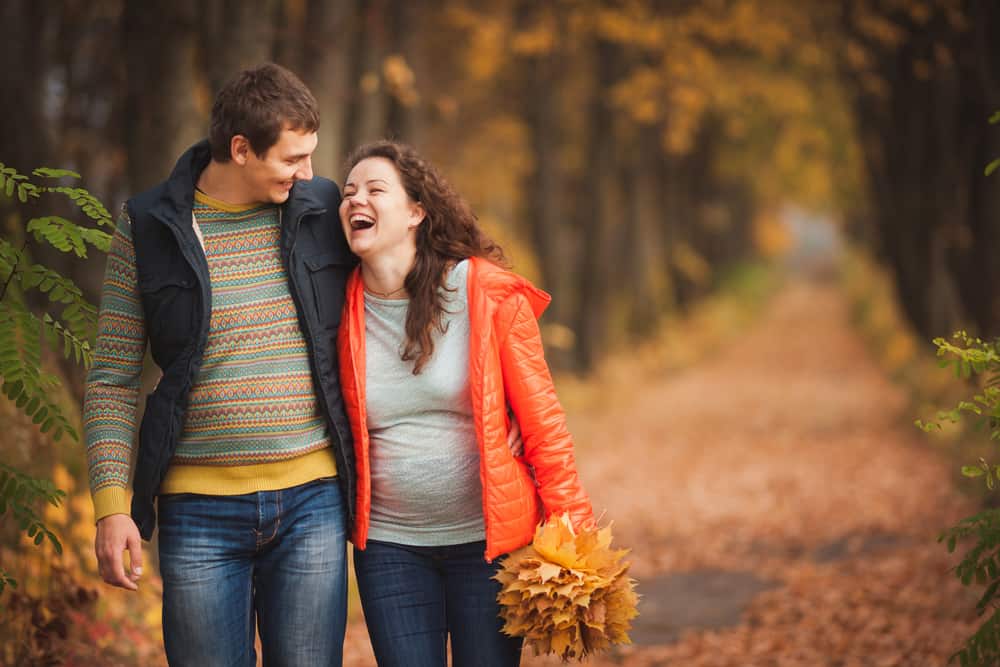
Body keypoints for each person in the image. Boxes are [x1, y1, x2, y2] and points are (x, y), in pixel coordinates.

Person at [83, 63, 357, 666]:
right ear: (240, 149)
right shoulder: (148, 226)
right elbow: (111, 379)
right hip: (197, 511)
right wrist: (111, 505)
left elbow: (400, 282)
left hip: (312, 502)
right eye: (293, 158)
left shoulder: (322, 208)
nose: (309, 173)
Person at [336, 140, 595, 667]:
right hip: (389, 547)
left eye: (375, 189)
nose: (356, 199)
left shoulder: (485, 294)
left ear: (416, 212)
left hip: (488, 544)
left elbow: (544, 423)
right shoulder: (336, 306)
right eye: (348, 192)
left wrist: (574, 533)